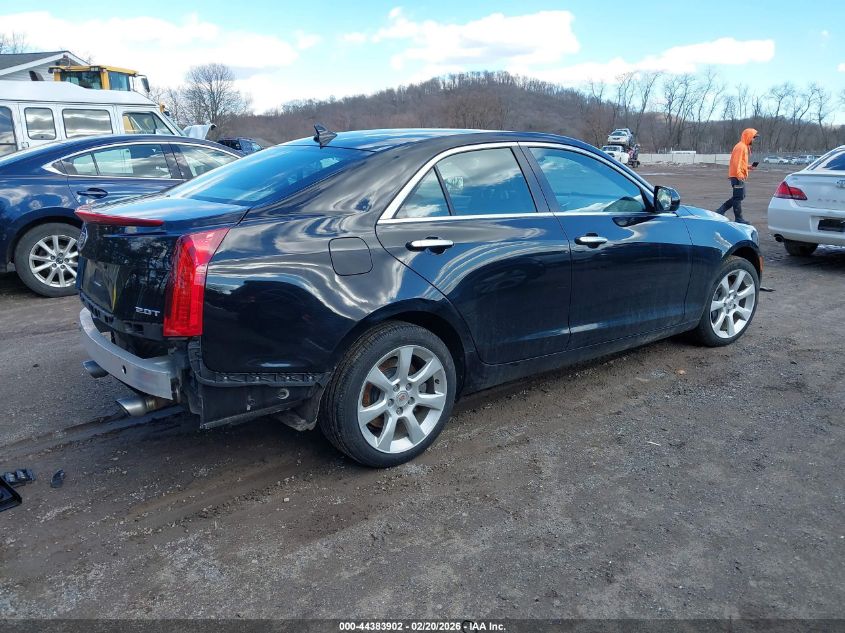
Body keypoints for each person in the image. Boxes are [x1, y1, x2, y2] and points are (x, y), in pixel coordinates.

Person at [716, 128, 758, 224]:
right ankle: (738, 218)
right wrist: (739, 174)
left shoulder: (743, 146)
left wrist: (748, 167)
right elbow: (736, 163)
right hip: (737, 176)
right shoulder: (741, 147)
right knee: (738, 197)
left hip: (738, 176)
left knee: (740, 196)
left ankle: (720, 210)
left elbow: (740, 163)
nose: (754, 140)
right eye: (753, 137)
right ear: (748, 137)